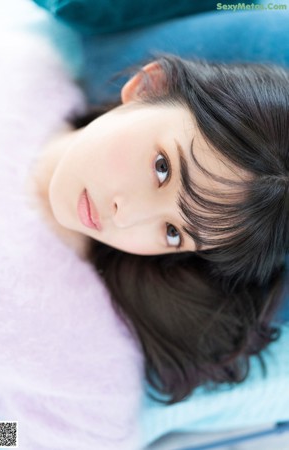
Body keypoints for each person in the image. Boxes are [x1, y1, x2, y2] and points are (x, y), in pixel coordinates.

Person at [27, 53, 289, 404]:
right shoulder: (27, 63)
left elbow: (23, 436)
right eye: (162, 168)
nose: (125, 217)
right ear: (149, 86)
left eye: (172, 233)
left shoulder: (74, 338)